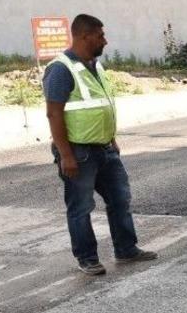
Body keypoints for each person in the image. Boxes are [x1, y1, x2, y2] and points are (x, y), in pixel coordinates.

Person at [42, 14, 157, 275]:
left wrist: (111, 139)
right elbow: (54, 114)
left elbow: (101, 106)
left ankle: (126, 249)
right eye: (100, 35)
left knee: (120, 199)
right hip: (78, 152)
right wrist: (66, 155)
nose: (105, 40)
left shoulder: (95, 66)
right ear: (85, 36)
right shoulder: (60, 69)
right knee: (81, 207)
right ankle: (87, 258)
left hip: (105, 148)